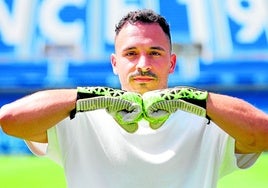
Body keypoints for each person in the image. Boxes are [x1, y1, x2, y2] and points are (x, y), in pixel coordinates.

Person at [0, 9, 268, 188]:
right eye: (131, 53)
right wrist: (88, 97)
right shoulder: (82, 116)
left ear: (172, 62)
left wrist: (194, 100)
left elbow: (263, 134)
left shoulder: (206, 121)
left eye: (155, 52)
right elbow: (10, 120)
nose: (143, 64)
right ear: (114, 63)